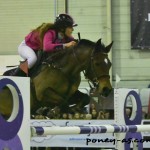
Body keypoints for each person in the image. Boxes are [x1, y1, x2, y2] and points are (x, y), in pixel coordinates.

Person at [13, 13, 77, 76]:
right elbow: (47, 47)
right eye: (70, 27)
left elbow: (73, 42)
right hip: (26, 46)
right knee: (32, 59)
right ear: (62, 28)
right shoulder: (50, 32)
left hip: (37, 49)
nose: (72, 30)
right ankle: (15, 76)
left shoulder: (66, 36)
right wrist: (65, 45)